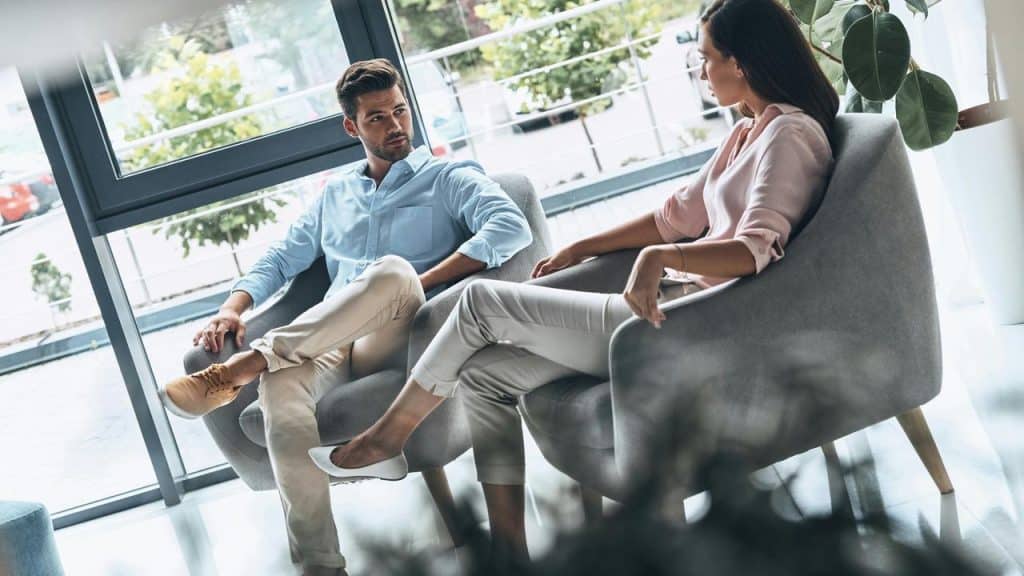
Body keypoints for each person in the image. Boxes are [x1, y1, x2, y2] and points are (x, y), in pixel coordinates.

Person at [313, 0, 840, 563]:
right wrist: (584, 244)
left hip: (688, 325)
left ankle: (389, 436)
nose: (699, 68)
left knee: (477, 303)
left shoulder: (789, 135)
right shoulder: (748, 132)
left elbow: (755, 249)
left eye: (707, 57)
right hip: (662, 312)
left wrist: (658, 259)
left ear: (743, 63)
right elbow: (675, 216)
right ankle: (511, 556)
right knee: (484, 372)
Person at [158, 59, 533, 576]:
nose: (396, 125)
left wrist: (417, 285)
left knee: (393, 272)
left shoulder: (447, 176)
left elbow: (510, 228)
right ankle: (320, 566)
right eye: (377, 117)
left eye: (400, 111)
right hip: (325, 340)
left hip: (406, 332)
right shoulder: (334, 195)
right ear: (351, 127)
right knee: (280, 390)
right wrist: (231, 309)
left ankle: (243, 367)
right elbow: (279, 258)